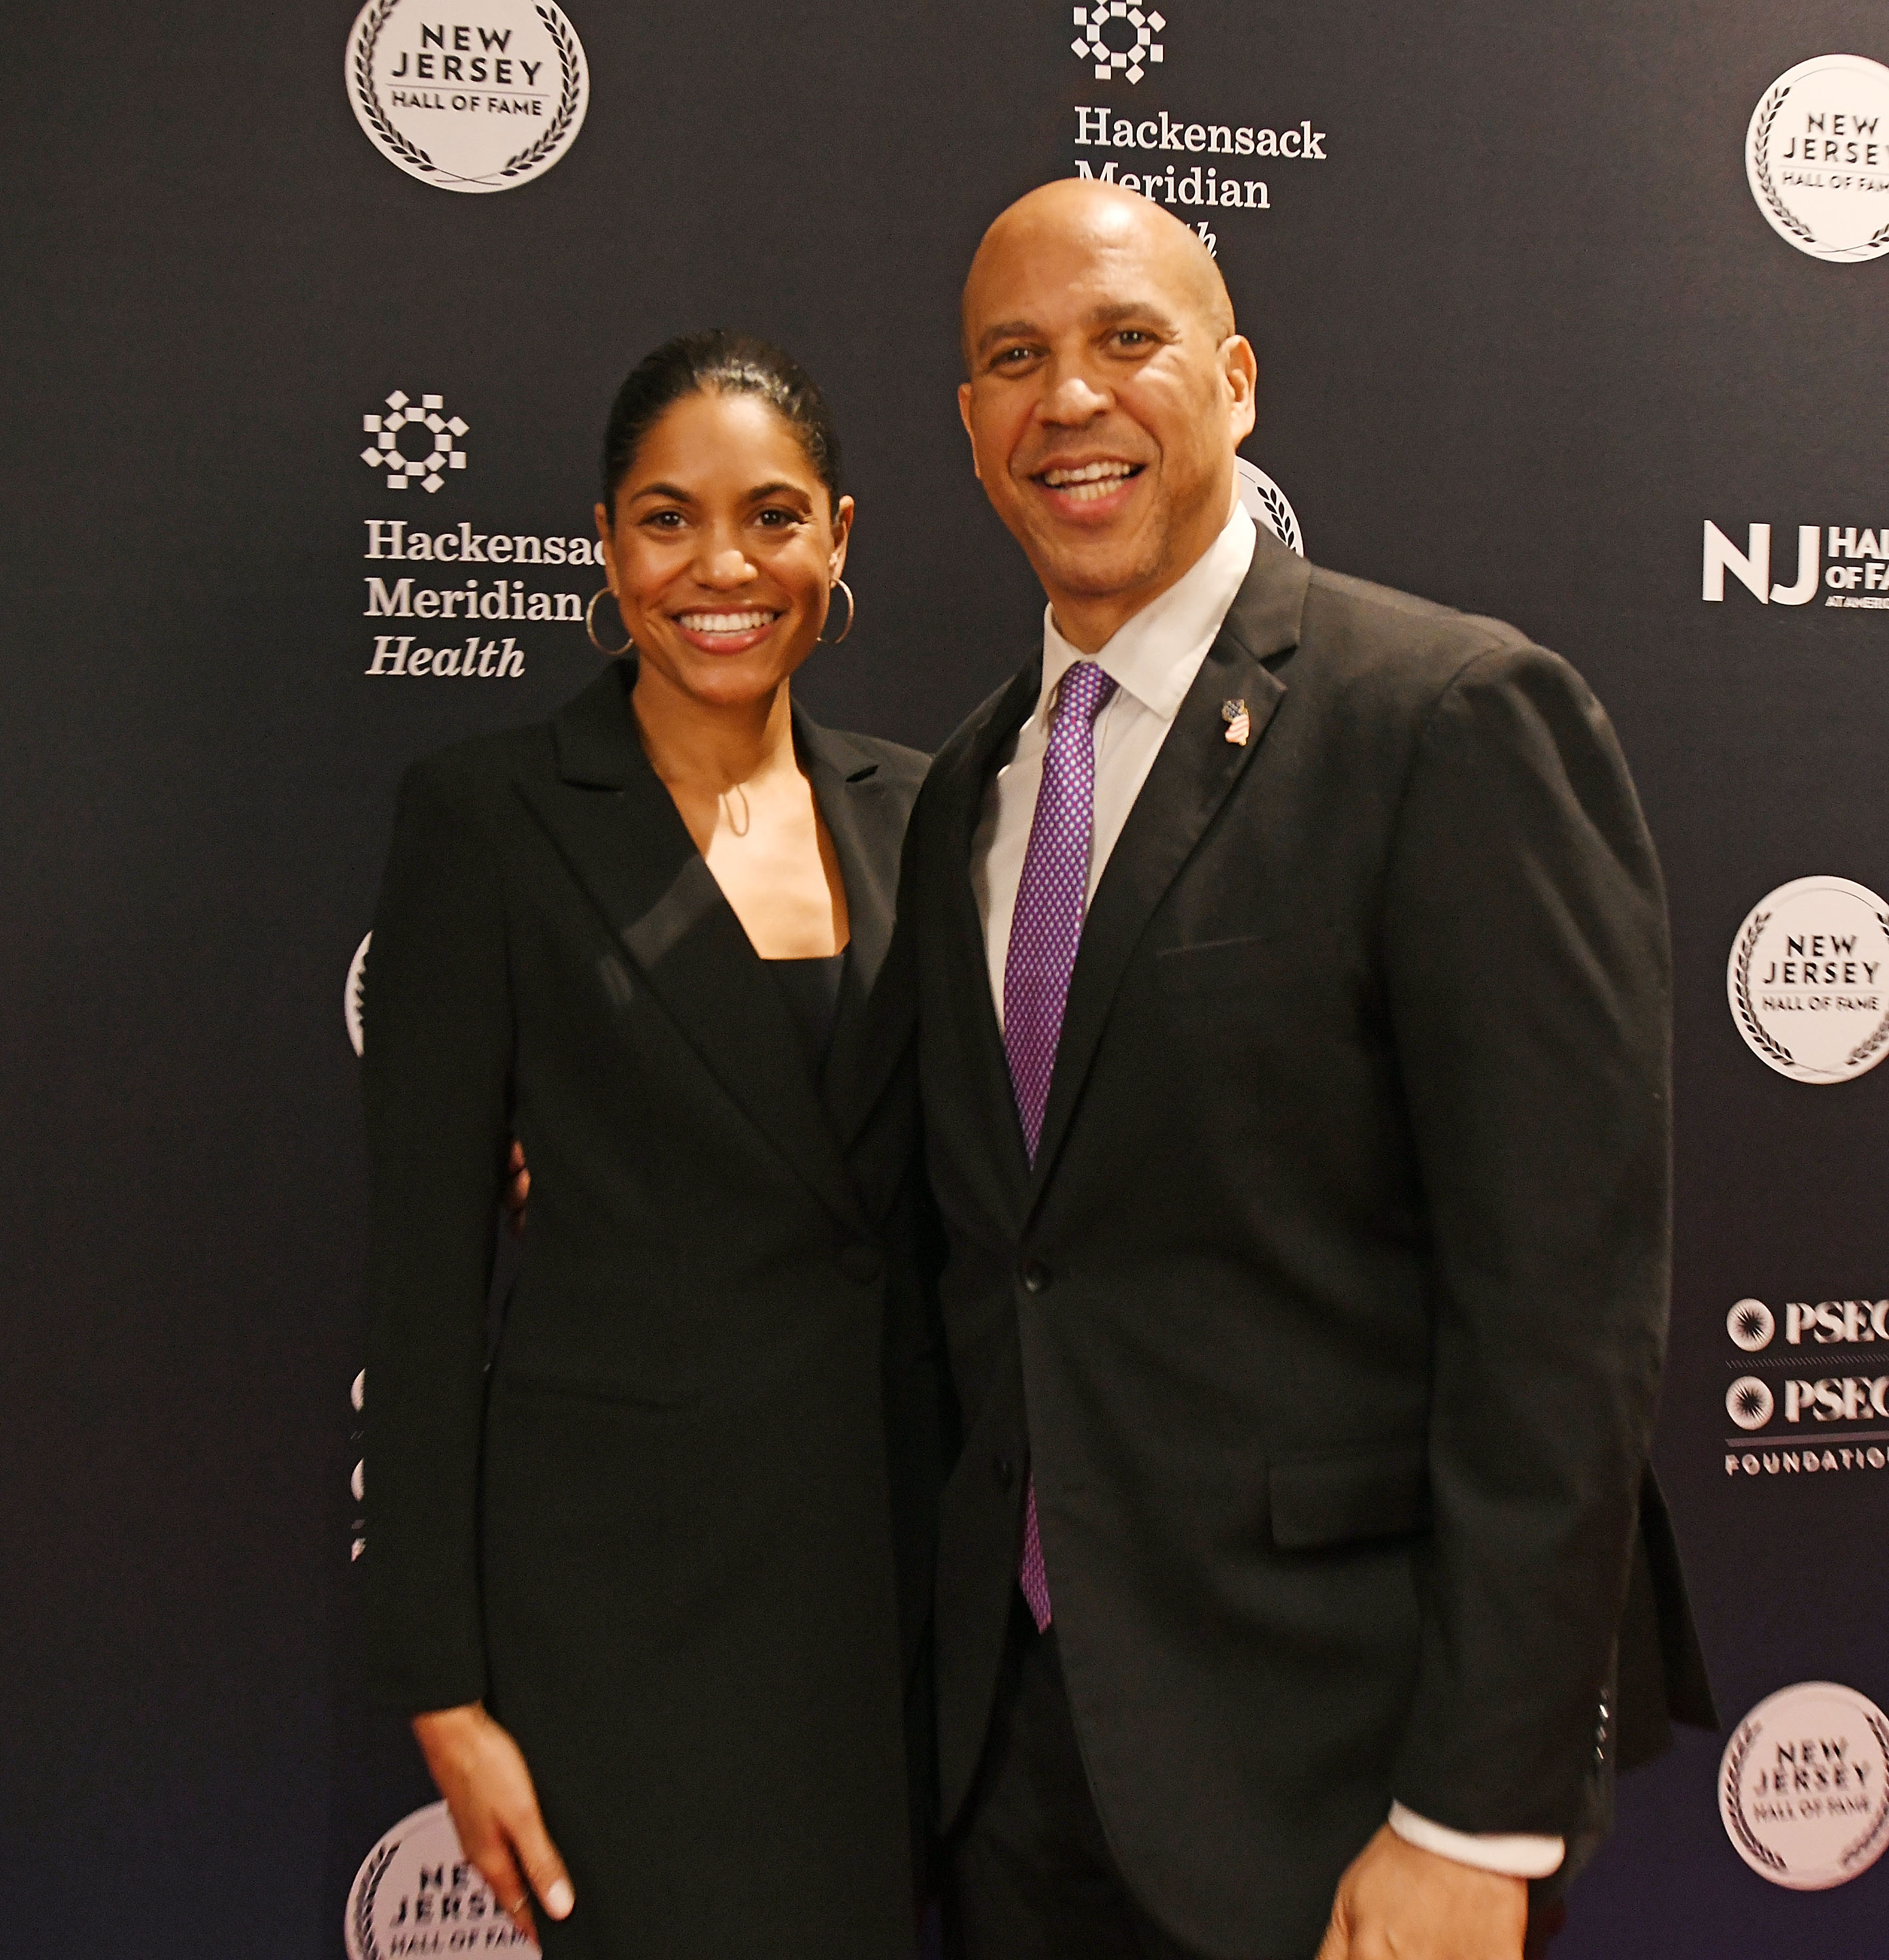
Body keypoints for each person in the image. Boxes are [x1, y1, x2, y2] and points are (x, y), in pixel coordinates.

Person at [901, 180, 1715, 1960]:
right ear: (967, 426)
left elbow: (1556, 1319)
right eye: (1011, 360)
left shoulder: (1443, 719)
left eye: (1127, 341)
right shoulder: (962, 788)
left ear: (1237, 378)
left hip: (1343, 1782)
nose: (1069, 399)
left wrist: (1473, 1817)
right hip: (1015, 1777)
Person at [361, 331, 944, 1959]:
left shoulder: (926, 809)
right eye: (667, 519)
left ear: (838, 538)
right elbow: (419, 1282)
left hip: (898, 1595)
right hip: (624, 1623)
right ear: (606, 548)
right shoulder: (486, 817)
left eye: (771, 515)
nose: (722, 567)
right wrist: (444, 1691)